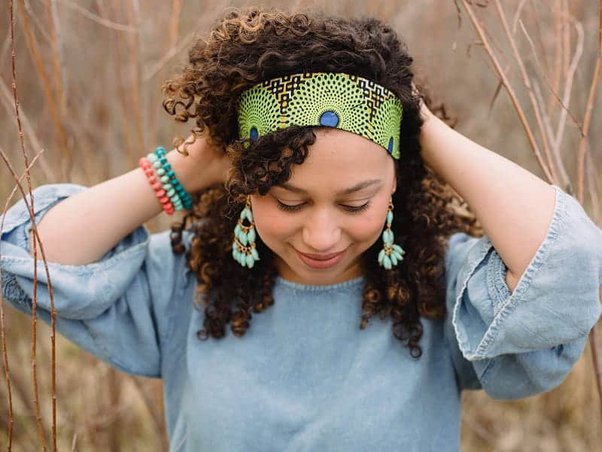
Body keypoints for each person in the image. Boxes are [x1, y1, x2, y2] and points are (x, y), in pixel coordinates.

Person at [1, 7, 601, 452]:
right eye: (288, 201)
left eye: (355, 201)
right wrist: (191, 163)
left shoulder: (440, 288)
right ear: (244, 185)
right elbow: (26, 257)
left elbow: (570, 266)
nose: (321, 236)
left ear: (395, 184)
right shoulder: (186, 282)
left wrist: (418, 130)